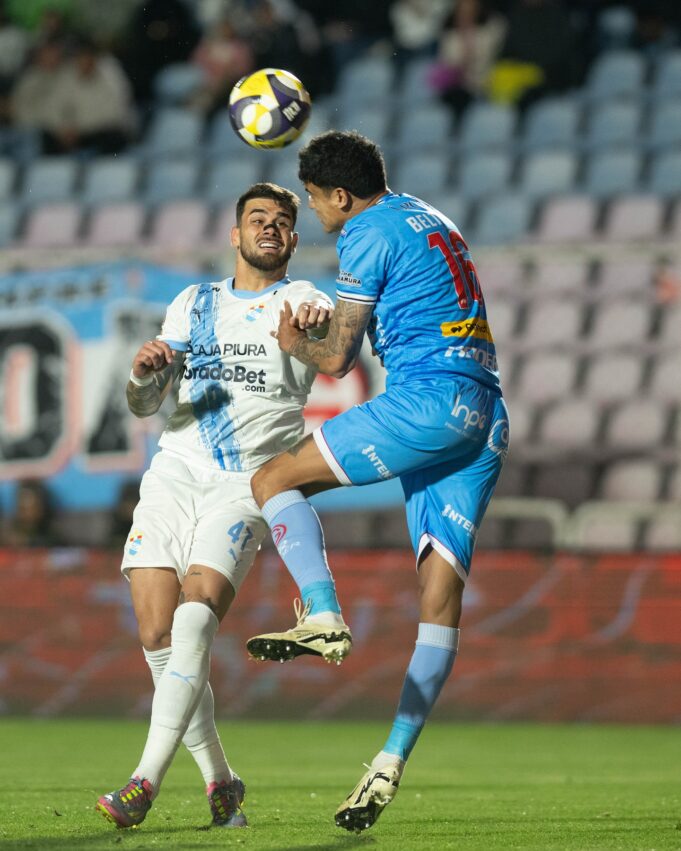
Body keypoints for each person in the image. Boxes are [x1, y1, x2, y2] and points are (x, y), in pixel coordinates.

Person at [246, 131, 509, 832]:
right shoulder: (428, 216)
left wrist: (294, 341)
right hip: (484, 414)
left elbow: (336, 357)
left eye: (312, 200)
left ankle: (322, 612)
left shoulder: (366, 231)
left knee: (272, 476)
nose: (312, 212)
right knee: (440, 601)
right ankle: (389, 762)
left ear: (340, 195)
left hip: (426, 401)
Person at [95, 182, 337, 831]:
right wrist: (143, 374)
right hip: (174, 473)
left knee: (195, 618)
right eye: (257, 218)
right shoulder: (193, 303)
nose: (269, 227)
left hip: (245, 484)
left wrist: (313, 326)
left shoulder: (303, 299)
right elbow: (144, 405)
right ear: (235, 234)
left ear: (293, 240)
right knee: (157, 634)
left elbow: (326, 336)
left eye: (281, 221)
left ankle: (142, 783)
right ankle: (221, 782)